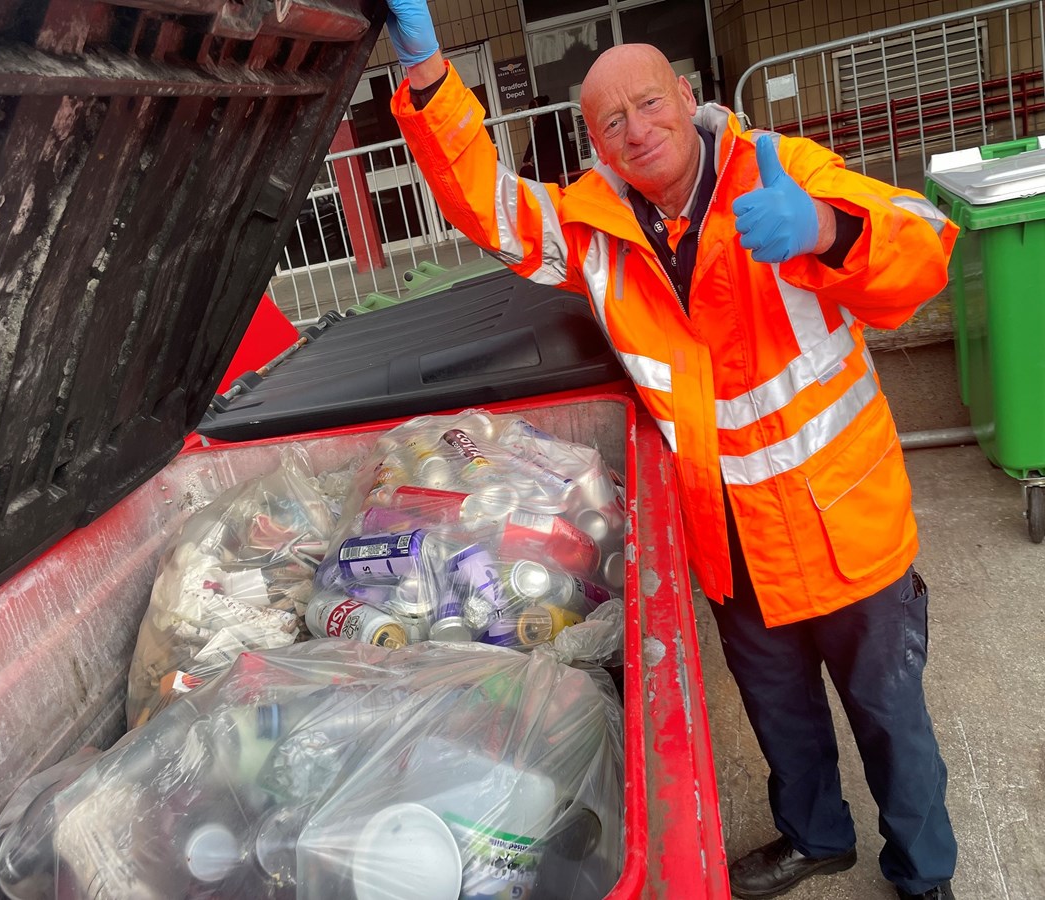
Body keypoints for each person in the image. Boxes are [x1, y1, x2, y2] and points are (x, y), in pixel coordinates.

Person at [383, 2, 959, 899]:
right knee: (781, 716)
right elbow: (495, 208)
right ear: (595, 144)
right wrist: (427, 79)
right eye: (611, 121)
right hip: (729, 540)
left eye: (649, 104)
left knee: (891, 717)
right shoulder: (598, 231)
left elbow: (921, 250)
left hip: (846, 529)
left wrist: (824, 231)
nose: (636, 129)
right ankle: (817, 838)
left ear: (686, 99)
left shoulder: (781, 174)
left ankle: (925, 877)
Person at [518, 95, 580, 185]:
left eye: (531, 115)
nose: (532, 119)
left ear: (536, 112)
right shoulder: (555, 119)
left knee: (524, 172)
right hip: (565, 166)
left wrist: (526, 160)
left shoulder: (542, 122)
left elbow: (534, 142)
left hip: (550, 171)